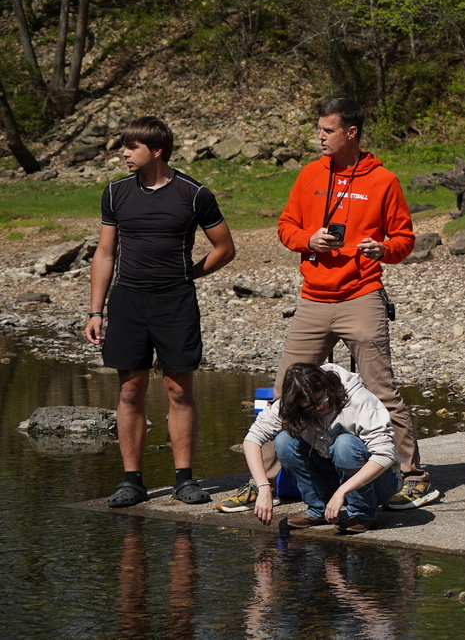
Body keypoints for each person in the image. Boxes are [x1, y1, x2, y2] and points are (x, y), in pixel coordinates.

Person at [216, 98, 437, 514]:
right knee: (285, 390)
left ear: (350, 133)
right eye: (318, 129)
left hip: (362, 295)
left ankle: (414, 478)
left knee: (381, 389)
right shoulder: (310, 174)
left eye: (327, 130)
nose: (319, 137)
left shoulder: (384, 180)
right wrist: (308, 240)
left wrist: (383, 249)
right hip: (313, 298)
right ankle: (258, 481)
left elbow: (405, 241)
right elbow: (285, 227)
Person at [86, 116, 236, 508]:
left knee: (178, 390)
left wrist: (190, 273)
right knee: (130, 389)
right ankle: (131, 481)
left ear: (156, 151)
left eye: (131, 147)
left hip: (175, 302)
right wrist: (95, 311)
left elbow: (225, 248)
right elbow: (105, 253)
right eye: (124, 146)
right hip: (128, 302)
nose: (124, 153)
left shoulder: (194, 193)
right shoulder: (116, 192)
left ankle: (184, 479)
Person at [243, 362, 401, 534]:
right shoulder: (293, 404)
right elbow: (252, 439)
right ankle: (318, 510)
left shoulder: (360, 401)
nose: (319, 407)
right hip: (335, 473)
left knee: (344, 444)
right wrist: (264, 487)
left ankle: (363, 513)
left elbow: (385, 455)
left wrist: (343, 490)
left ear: (327, 387)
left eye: (321, 399)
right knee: (284, 440)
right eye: (309, 406)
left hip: (380, 482)